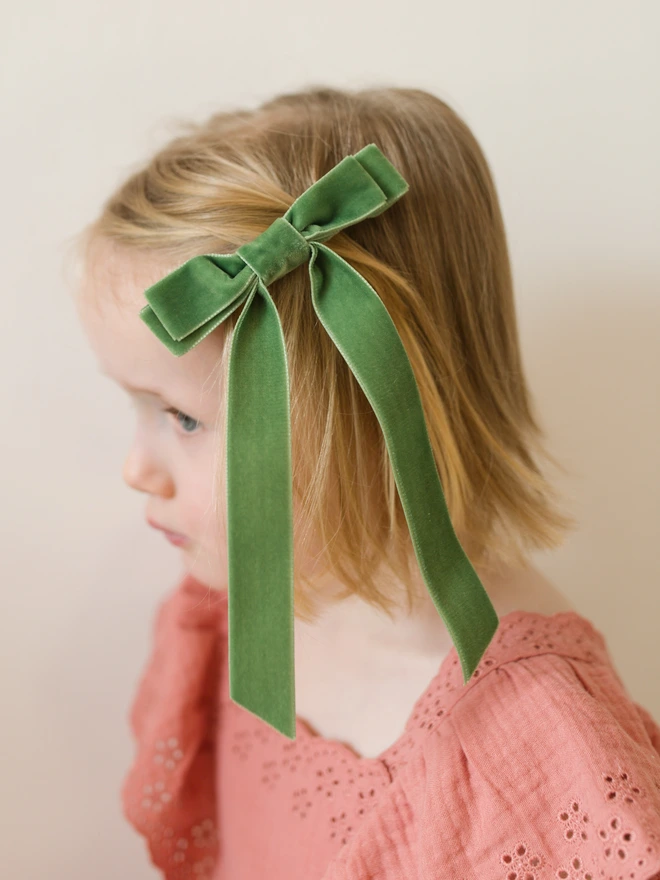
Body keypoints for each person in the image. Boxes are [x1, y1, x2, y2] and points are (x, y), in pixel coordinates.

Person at [71, 85, 660, 879]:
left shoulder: (530, 746)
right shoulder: (246, 603)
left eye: (180, 419)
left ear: (363, 409)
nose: (134, 470)